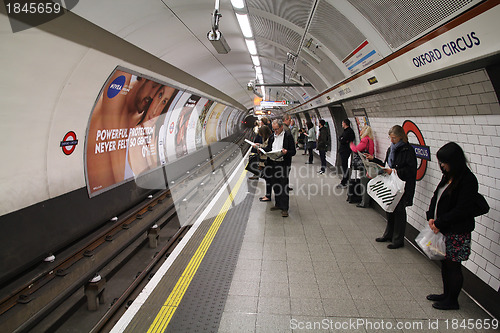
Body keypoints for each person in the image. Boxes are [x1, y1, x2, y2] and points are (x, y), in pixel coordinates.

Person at [426, 142, 479, 310]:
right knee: (444, 262)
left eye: (444, 162)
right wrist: (430, 217)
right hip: (442, 228)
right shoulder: (448, 175)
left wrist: (440, 222)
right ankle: (446, 294)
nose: (442, 165)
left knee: (453, 265)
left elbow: (462, 209)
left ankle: (453, 300)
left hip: (457, 230)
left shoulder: (468, 180)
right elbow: (437, 195)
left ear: (454, 161)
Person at [366, 125, 417, 249]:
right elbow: (386, 164)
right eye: (390, 138)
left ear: (400, 137)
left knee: (399, 211)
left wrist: (394, 171)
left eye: (393, 138)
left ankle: (398, 239)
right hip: (390, 183)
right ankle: (388, 234)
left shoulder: (408, 150)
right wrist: (375, 161)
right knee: (389, 208)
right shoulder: (391, 149)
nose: (391, 140)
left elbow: (411, 170)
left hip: (402, 185)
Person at [262, 119, 296, 217]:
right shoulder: (272, 136)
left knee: (283, 186)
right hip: (273, 164)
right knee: (275, 185)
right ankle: (278, 204)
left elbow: (293, 152)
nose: (275, 131)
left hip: (283, 164)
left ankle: (285, 208)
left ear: (281, 127)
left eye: (276, 129)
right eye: (273, 129)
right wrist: (260, 148)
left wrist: (286, 152)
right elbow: (269, 148)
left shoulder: (288, 136)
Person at [349, 125, 375, 207]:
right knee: (366, 183)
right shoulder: (371, 141)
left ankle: (364, 202)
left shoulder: (364, 140)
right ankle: (365, 201)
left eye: (362, 130)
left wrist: (351, 144)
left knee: (363, 183)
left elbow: (356, 149)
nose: (360, 131)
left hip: (364, 164)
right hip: (369, 163)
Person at [336, 119, 355, 188]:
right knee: (344, 166)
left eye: (342, 123)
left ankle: (345, 181)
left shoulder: (349, 131)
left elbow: (342, 140)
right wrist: (341, 139)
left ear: (345, 123)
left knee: (345, 166)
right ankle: (345, 180)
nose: (342, 124)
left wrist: (342, 139)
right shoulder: (346, 131)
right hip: (343, 150)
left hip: (345, 150)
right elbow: (340, 138)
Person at [256, 124, 273, 199]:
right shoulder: (268, 138)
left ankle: (268, 196)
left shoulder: (270, 139)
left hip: (267, 161)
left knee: (268, 178)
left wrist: (259, 147)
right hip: (265, 161)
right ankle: (267, 195)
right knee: (267, 178)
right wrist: (259, 145)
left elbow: (268, 148)